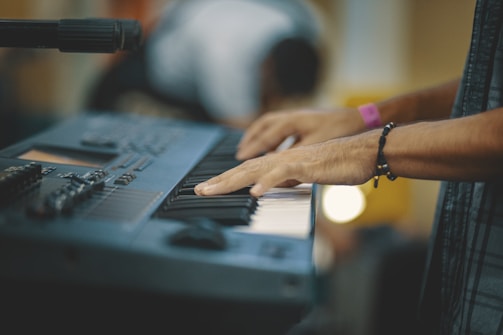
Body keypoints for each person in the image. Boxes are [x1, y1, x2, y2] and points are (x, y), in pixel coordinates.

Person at [194, 0, 503, 333]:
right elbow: (481, 88)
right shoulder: (223, 49)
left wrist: (364, 148)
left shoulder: (308, 27)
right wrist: (365, 118)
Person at [87, 0, 322, 129]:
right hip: (156, 67)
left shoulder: (300, 24)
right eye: (272, 91)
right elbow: (241, 129)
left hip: (197, 20)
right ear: (268, 68)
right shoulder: (226, 53)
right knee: (99, 109)